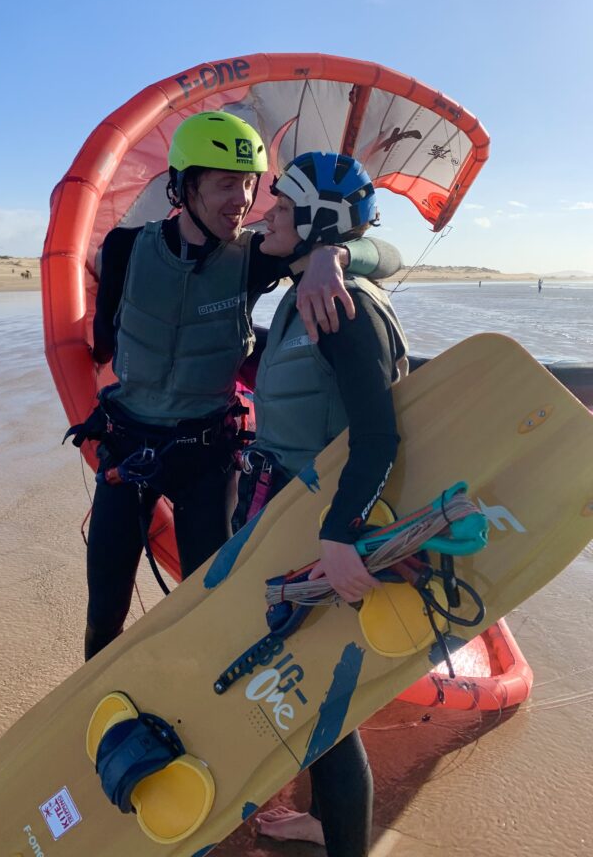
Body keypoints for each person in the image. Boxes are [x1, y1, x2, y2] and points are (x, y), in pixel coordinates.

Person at [80, 112, 402, 661]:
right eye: (227, 182)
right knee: (104, 610)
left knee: (214, 610)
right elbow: (104, 339)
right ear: (183, 185)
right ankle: (92, 720)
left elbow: (381, 251)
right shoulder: (125, 249)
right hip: (126, 451)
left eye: (251, 183)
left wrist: (334, 255)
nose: (244, 198)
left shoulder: (253, 257)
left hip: (205, 460)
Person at [231, 151, 408, 857]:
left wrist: (340, 535)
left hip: (314, 528)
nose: (263, 216)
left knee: (327, 715)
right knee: (307, 700)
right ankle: (324, 824)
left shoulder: (340, 306)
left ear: (313, 222)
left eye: (279, 208)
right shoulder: (301, 291)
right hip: (278, 512)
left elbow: (378, 434)